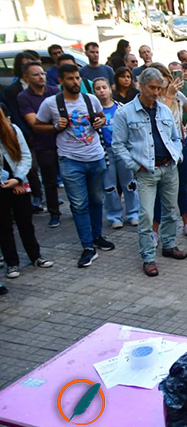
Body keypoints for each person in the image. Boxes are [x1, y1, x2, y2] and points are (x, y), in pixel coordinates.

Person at [35, 62, 114, 268]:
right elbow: (36, 125)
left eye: (77, 78)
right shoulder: (51, 103)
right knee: (79, 205)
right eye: (70, 79)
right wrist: (53, 126)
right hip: (70, 160)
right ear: (60, 81)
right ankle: (88, 247)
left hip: (95, 157)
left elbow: (102, 116)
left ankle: (97, 236)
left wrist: (100, 121)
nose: (75, 82)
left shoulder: (91, 99)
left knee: (97, 200)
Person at [112, 67, 187, 277]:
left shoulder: (163, 109)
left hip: (168, 167)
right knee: (146, 214)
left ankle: (169, 245)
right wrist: (136, 166)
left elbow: (175, 136)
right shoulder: (125, 112)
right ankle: (148, 257)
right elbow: (118, 145)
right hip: (146, 171)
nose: (155, 92)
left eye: (159, 87)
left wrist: (177, 155)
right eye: (152, 88)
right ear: (140, 86)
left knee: (171, 209)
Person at [0, 107, 54, 279]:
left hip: (19, 182)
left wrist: (17, 178)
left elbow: (25, 156)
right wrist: (8, 182)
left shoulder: (13, 130)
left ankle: (35, 256)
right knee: (4, 226)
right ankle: (12, 263)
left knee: (26, 222)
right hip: (4, 185)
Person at [152, 63, 187, 241]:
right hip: (161, 149)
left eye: (165, 76)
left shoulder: (178, 96)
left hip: (180, 145)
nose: (163, 81)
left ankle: (186, 223)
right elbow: (159, 117)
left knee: (181, 186)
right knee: (157, 190)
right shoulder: (154, 99)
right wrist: (169, 95)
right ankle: (155, 230)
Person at [18, 61, 61, 227]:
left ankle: (77, 209)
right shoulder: (24, 97)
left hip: (63, 142)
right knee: (50, 182)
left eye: (42, 73)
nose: (41, 77)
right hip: (43, 145)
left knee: (71, 179)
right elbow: (33, 122)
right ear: (26, 78)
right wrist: (55, 125)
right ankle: (54, 213)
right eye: (36, 74)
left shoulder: (54, 91)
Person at [93, 77, 139, 229]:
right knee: (110, 186)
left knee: (130, 183)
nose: (101, 91)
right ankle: (114, 216)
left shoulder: (121, 108)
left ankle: (133, 213)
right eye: (98, 88)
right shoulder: (93, 111)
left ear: (110, 89)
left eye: (104, 87)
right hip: (105, 152)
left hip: (122, 150)